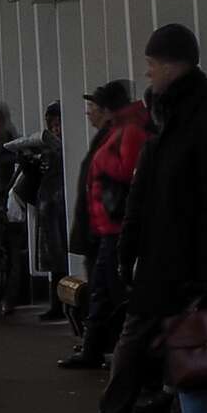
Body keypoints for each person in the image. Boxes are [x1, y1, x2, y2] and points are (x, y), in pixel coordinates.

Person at [86, 25, 207, 413]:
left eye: (152, 64)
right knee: (187, 355)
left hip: (189, 264)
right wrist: (129, 246)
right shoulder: (177, 115)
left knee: (195, 355)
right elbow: (147, 188)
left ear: (174, 64)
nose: (147, 72)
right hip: (167, 260)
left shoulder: (205, 119)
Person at [59, 81, 149, 369]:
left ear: (109, 109)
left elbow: (129, 172)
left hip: (115, 228)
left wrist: (100, 165)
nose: (89, 113)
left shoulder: (129, 131)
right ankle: (94, 347)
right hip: (105, 227)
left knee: (115, 292)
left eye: (94, 107)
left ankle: (128, 358)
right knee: (101, 290)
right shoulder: (117, 131)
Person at [6, 106, 70, 320]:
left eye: (59, 125)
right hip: (48, 206)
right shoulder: (49, 152)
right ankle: (56, 303)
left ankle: (63, 304)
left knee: (61, 256)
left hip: (59, 206)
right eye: (52, 126)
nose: (56, 130)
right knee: (53, 258)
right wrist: (28, 164)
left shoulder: (68, 148)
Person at [0, 106, 29, 309]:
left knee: (11, 252)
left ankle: (9, 298)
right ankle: (0, 296)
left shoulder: (13, 146)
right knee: (1, 253)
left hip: (8, 205)